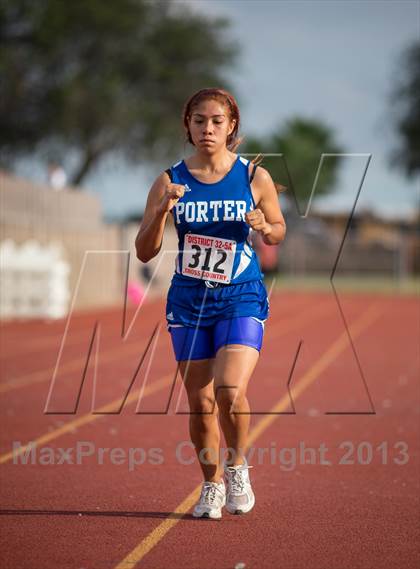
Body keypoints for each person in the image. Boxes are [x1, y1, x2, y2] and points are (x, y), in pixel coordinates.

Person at [135, 88, 286, 519]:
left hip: (240, 296)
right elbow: (145, 251)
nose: (208, 128)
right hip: (189, 301)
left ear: (231, 125)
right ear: (188, 125)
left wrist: (265, 226)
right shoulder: (169, 180)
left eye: (217, 121)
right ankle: (211, 485)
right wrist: (163, 210)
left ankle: (238, 466)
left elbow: (278, 229)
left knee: (229, 389)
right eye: (199, 121)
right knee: (200, 401)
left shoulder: (253, 176)